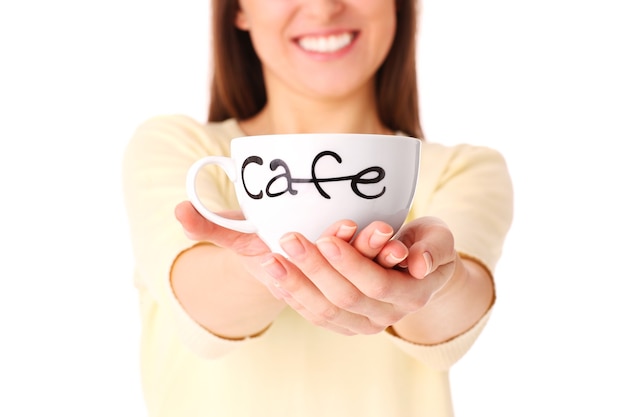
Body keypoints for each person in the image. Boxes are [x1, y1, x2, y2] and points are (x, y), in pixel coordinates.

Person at [122, 0, 514, 416]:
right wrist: (266, 260)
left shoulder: (464, 169)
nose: (325, 9)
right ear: (238, 10)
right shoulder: (175, 147)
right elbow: (202, 312)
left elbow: (450, 325)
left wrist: (435, 278)